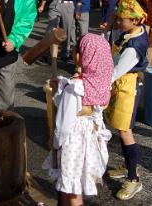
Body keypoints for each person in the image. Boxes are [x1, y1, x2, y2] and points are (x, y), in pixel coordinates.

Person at [42, 33, 113, 206]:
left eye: (76, 50)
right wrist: (60, 86)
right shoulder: (102, 83)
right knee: (69, 187)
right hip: (89, 141)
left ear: (81, 56)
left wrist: (56, 142)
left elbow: (64, 124)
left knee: (73, 192)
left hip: (72, 143)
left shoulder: (74, 88)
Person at [105, 0, 149, 201]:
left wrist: (97, 84)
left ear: (134, 20)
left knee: (125, 131)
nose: (119, 21)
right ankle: (126, 165)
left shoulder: (134, 47)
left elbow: (116, 71)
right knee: (120, 127)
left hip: (128, 86)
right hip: (121, 84)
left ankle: (133, 179)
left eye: (122, 19)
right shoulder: (132, 32)